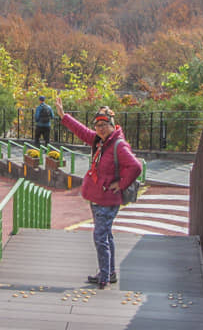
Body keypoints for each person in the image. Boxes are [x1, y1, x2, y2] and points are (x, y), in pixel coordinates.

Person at [55, 96, 142, 289]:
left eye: (104, 125)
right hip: (98, 197)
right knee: (105, 235)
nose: (100, 128)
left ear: (112, 125)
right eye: (98, 125)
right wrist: (64, 116)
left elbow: (135, 167)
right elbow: (81, 131)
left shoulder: (118, 145)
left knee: (100, 236)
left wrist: (121, 184)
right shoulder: (101, 141)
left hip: (108, 199)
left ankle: (104, 276)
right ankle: (109, 273)